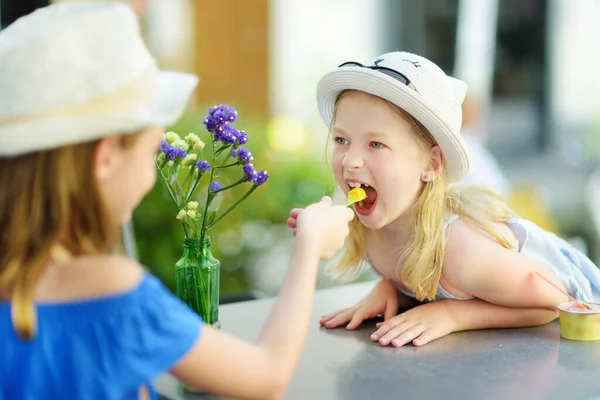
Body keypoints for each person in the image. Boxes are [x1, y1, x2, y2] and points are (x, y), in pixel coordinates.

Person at [0, 3, 354, 399]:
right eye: (152, 150)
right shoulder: (108, 289)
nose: (153, 174)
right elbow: (266, 376)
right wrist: (308, 247)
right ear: (105, 157)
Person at [287, 51, 600, 348]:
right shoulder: (378, 219)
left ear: (431, 165)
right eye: (342, 139)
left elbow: (554, 302)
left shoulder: (460, 249)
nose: (351, 160)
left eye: (376, 144)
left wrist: (452, 315)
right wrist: (393, 290)